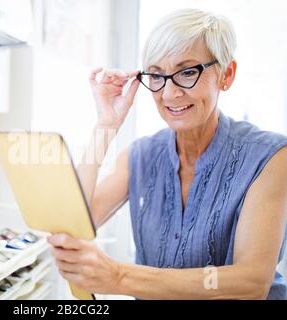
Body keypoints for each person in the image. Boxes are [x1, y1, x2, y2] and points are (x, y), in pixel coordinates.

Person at [47, 8, 287, 299]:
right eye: (157, 75)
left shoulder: (269, 157)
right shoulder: (142, 155)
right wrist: (105, 126)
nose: (169, 94)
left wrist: (119, 276)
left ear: (226, 74)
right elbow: (72, 229)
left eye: (187, 72)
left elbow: (251, 283)